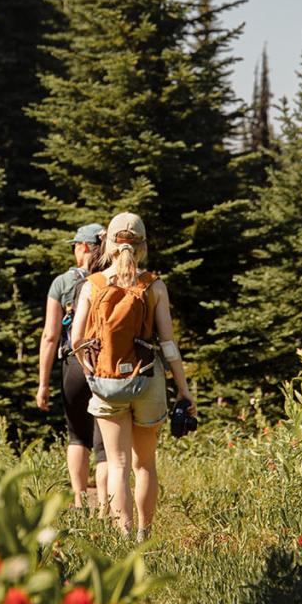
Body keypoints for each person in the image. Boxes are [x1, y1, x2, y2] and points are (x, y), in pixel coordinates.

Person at [69, 211, 193, 541]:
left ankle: (122, 534)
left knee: (118, 465)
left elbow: (76, 340)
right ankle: (143, 533)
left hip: (106, 383)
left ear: (108, 244)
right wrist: (183, 389)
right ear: (142, 246)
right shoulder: (153, 286)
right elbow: (167, 343)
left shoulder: (92, 286)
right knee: (145, 465)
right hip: (147, 380)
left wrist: (90, 370)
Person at [36, 223, 109, 512]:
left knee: (77, 436)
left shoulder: (61, 284)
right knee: (105, 445)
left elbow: (50, 336)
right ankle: (106, 507)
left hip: (74, 365)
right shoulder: (109, 279)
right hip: (106, 365)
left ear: (83, 247)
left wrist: (43, 384)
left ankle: (79, 502)